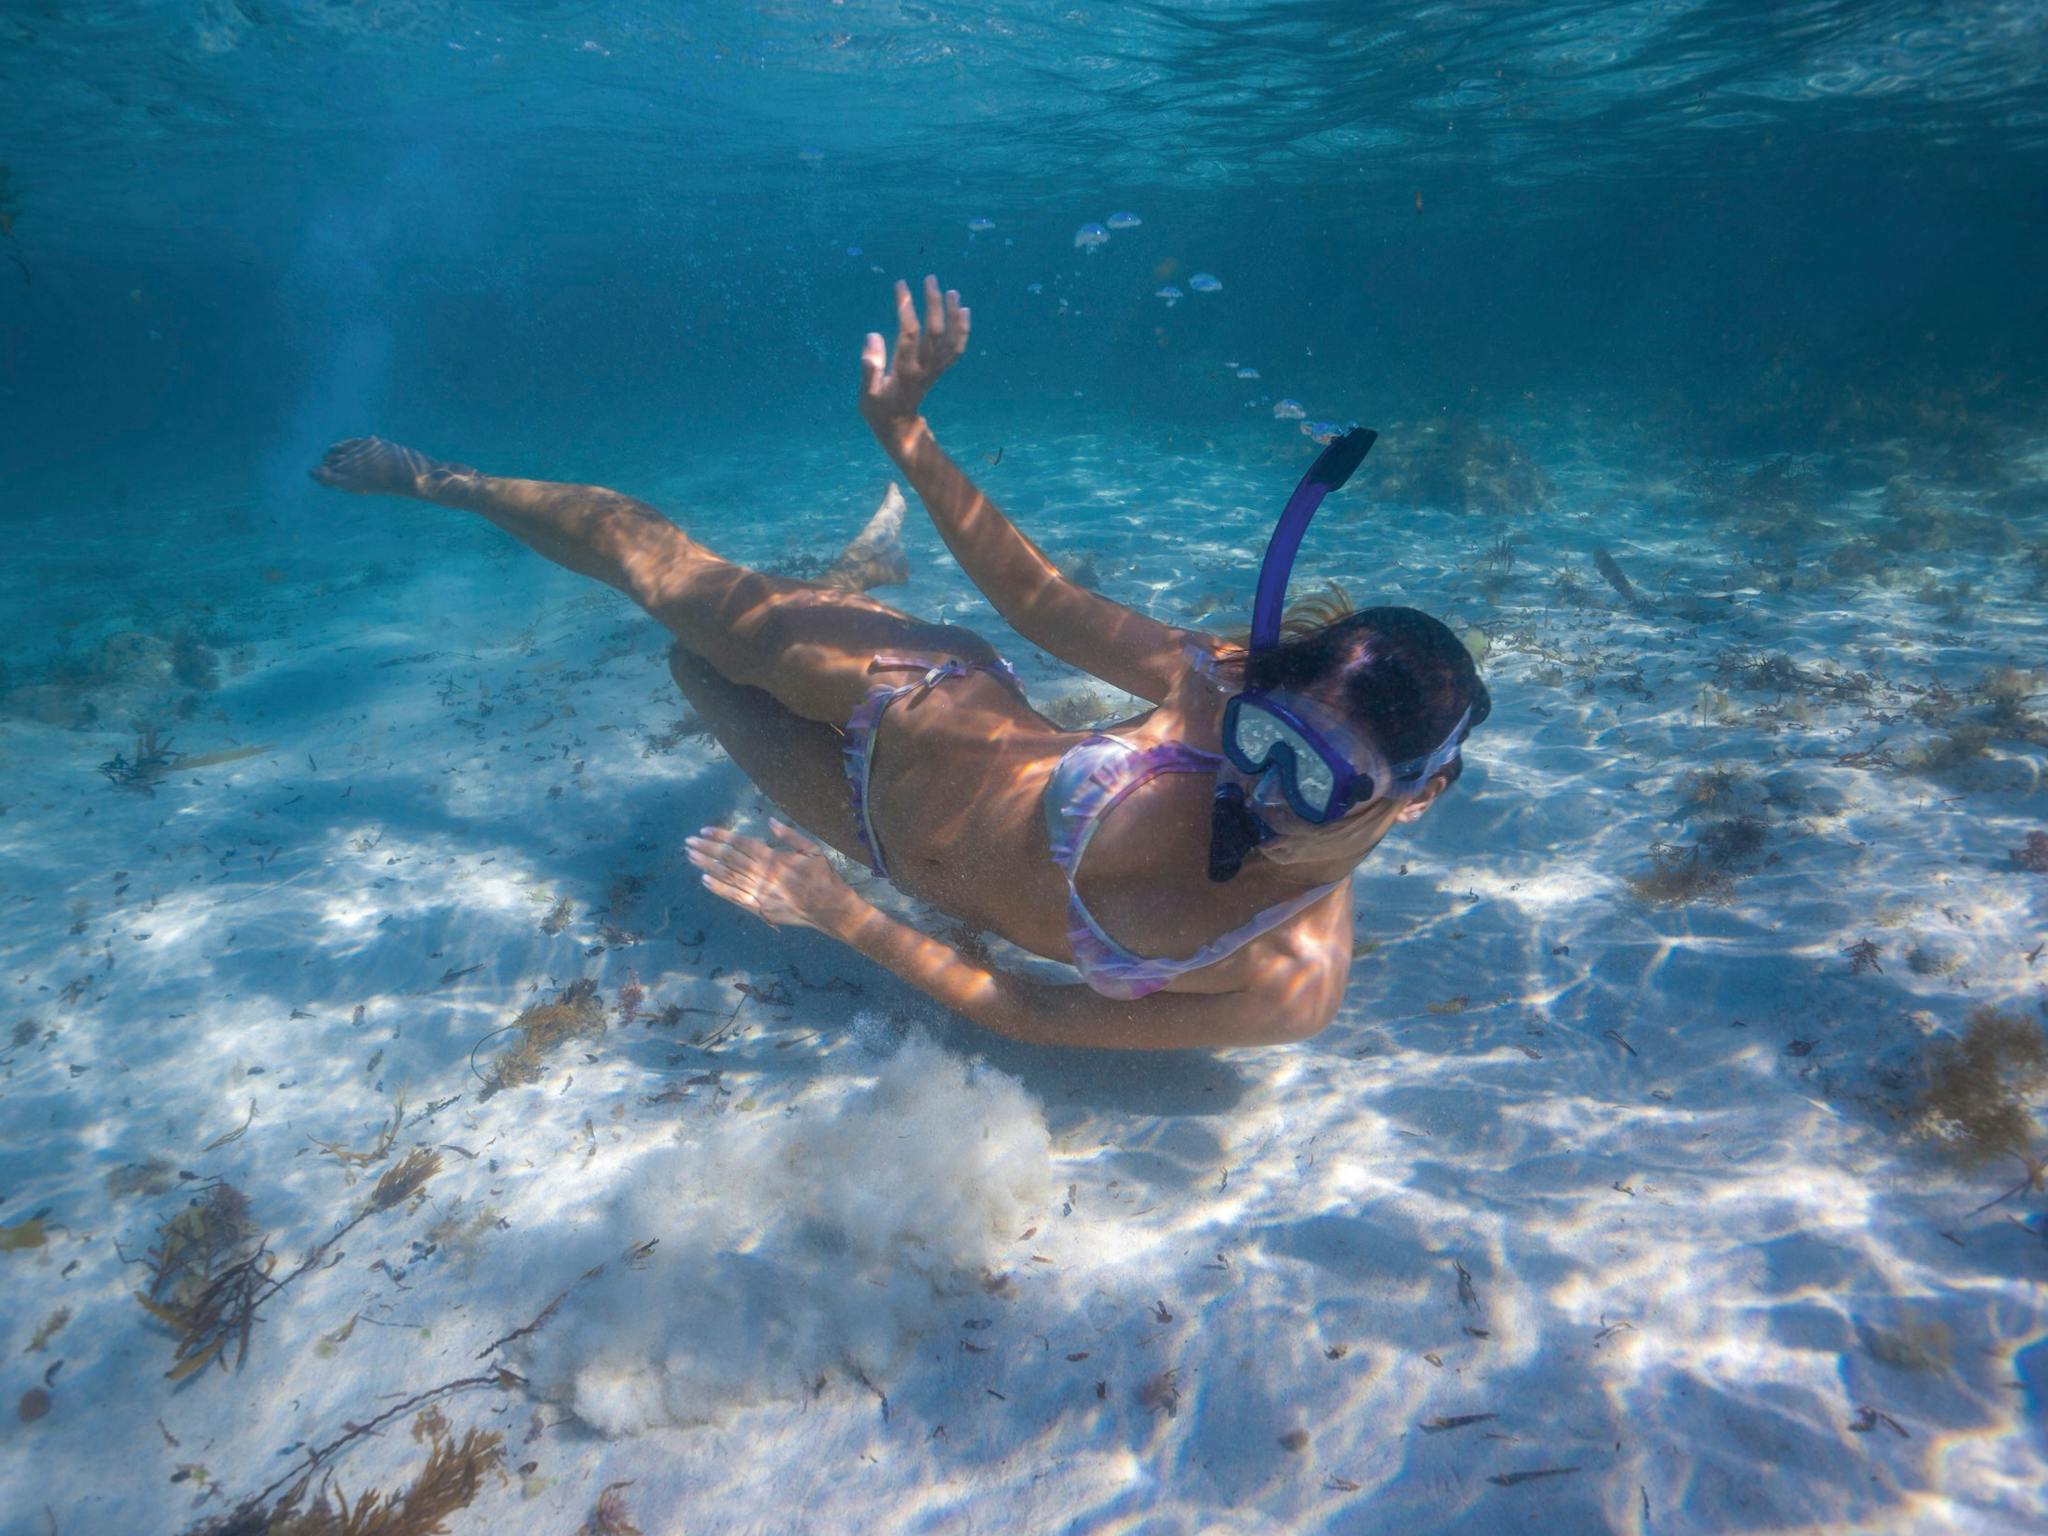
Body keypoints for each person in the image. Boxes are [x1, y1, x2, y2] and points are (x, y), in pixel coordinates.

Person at [312, 276, 1489, 1051]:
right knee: (664, 577)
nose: (1264, 792)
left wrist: (841, 916)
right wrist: (909, 436)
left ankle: (849, 576)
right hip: (915, 699)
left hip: (864, 832)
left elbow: (1028, 1009)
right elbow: (1040, 600)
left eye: (1320, 780)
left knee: (692, 671)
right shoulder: (1224, 682)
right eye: (1263, 744)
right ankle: (442, 481)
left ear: (1418, 793)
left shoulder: (1285, 983)